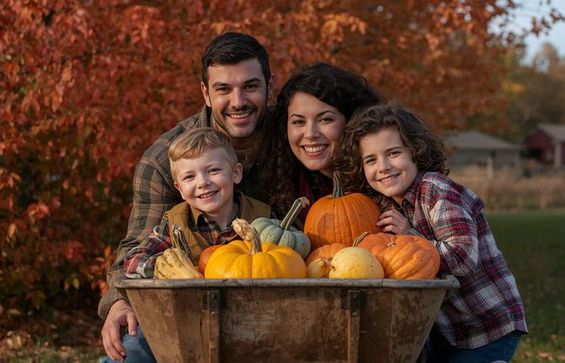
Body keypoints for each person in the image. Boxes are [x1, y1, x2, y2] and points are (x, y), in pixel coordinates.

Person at [100, 32, 277, 362]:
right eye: (223, 89)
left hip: (267, 317)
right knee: (133, 347)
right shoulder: (166, 161)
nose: (238, 101)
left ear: (269, 86)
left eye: (250, 86)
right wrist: (118, 300)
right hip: (185, 315)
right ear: (206, 93)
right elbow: (136, 252)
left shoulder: (293, 142)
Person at [338, 104, 528, 362]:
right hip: (449, 330)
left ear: (416, 151)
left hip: (487, 324)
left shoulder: (436, 190)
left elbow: (463, 257)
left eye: (393, 153)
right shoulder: (390, 204)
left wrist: (409, 236)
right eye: (371, 159)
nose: (382, 166)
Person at [124, 127, 271, 279]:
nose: (202, 182)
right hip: (191, 302)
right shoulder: (176, 223)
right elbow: (134, 260)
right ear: (179, 189)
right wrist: (176, 269)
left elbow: (285, 258)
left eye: (213, 170)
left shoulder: (262, 218)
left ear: (236, 173)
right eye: (189, 177)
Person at [269, 62, 383, 218]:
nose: (310, 134)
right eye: (298, 122)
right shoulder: (283, 186)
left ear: (352, 121)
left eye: (325, 120)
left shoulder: (383, 176)